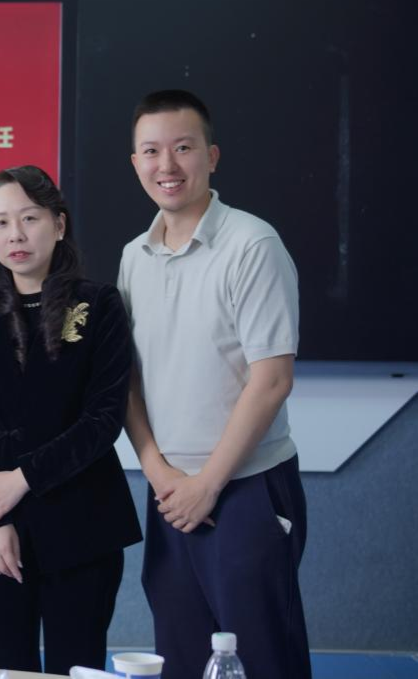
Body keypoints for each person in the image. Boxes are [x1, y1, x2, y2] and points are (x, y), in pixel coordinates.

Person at [120, 90, 309, 679]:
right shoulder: (134, 256)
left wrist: (207, 485)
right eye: (152, 151)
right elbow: (125, 378)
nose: (167, 165)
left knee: (260, 659)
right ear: (136, 162)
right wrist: (158, 471)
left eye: (183, 148)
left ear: (212, 155)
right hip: (169, 492)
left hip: (245, 489)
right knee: (179, 657)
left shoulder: (252, 245)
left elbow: (272, 380)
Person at [0, 165, 141, 675]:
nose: (15, 234)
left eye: (29, 218)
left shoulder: (99, 304)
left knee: (74, 667)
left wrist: (23, 478)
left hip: (83, 524)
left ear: (58, 225)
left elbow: (103, 420)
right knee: (4, 667)